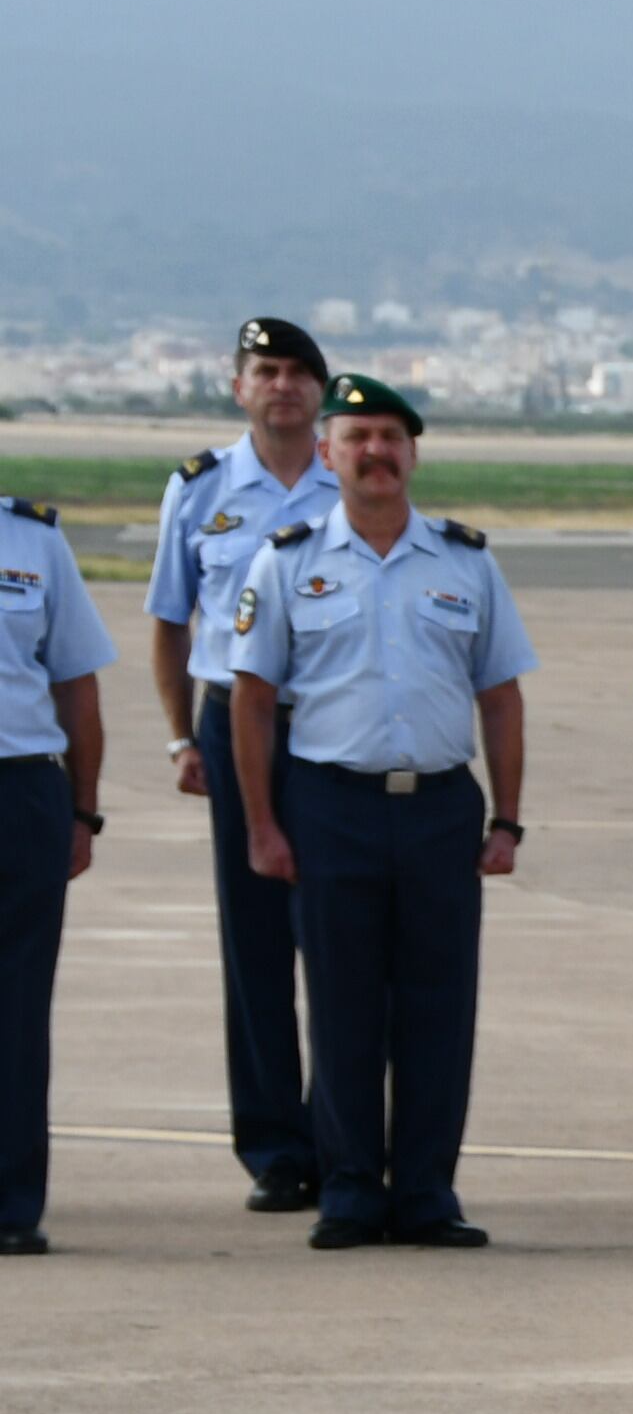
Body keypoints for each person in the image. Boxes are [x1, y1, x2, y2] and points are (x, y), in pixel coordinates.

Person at [224, 375, 536, 1252]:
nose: (376, 453)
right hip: (331, 807)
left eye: (392, 437)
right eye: (357, 437)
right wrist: (261, 822)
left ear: (412, 454)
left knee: (440, 1007)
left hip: (440, 808)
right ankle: (354, 1190)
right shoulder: (287, 561)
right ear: (327, 454)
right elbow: (252, 700)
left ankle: (428, 1191)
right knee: (343, 1003)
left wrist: (507, 820)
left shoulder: (466, 561)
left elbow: (501, 696)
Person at [141, 315, 335, 1212]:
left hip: (334, 726)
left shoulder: (355, 478)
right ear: (238, 386)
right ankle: (273, 1147)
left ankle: (343, 1138)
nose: (283, 385)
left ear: (321, 392)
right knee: (254, 940)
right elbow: (171, 621)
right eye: (267, 369)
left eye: (299, 371)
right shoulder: (201, 488)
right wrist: (183, 737)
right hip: (234, 723)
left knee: (342, 937)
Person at [1, 488, 115, 1257]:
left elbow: (76, 680)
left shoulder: (34, 542)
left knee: (15, 1007)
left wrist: (82, 809)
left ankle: (11, 1201)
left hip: (20, 792)